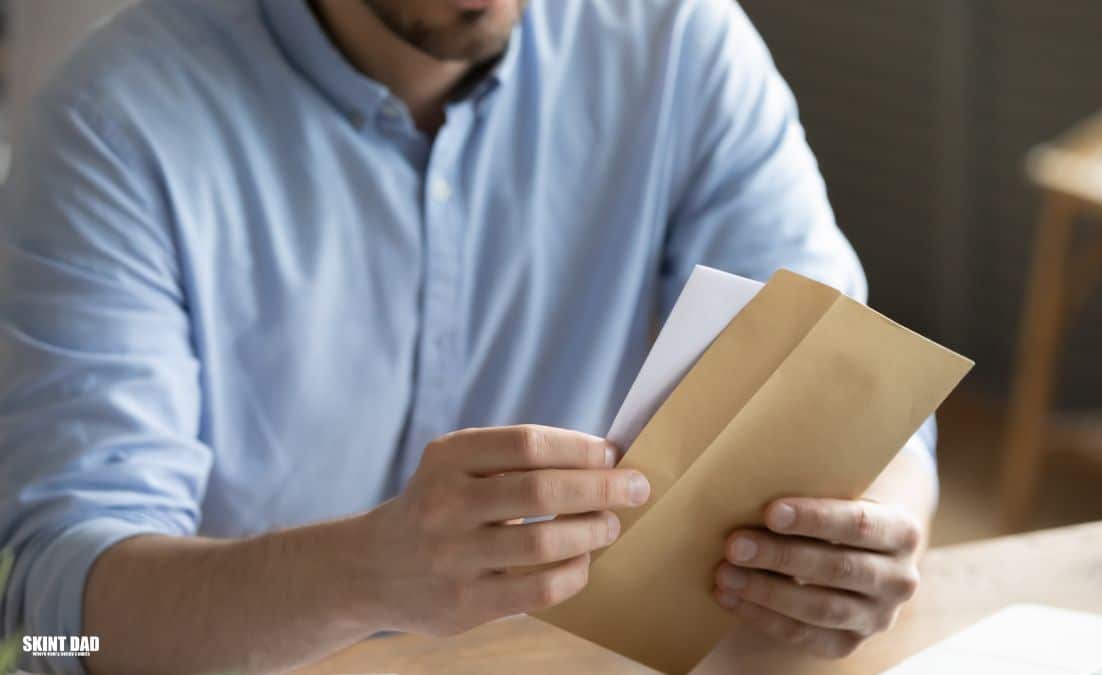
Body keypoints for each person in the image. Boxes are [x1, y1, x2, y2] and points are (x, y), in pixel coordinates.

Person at [0, 0, 938, 673]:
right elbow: (51, 627)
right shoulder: (111, 120)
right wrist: (356, 574)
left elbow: (854, 389)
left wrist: (873, 534)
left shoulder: (681, 43)